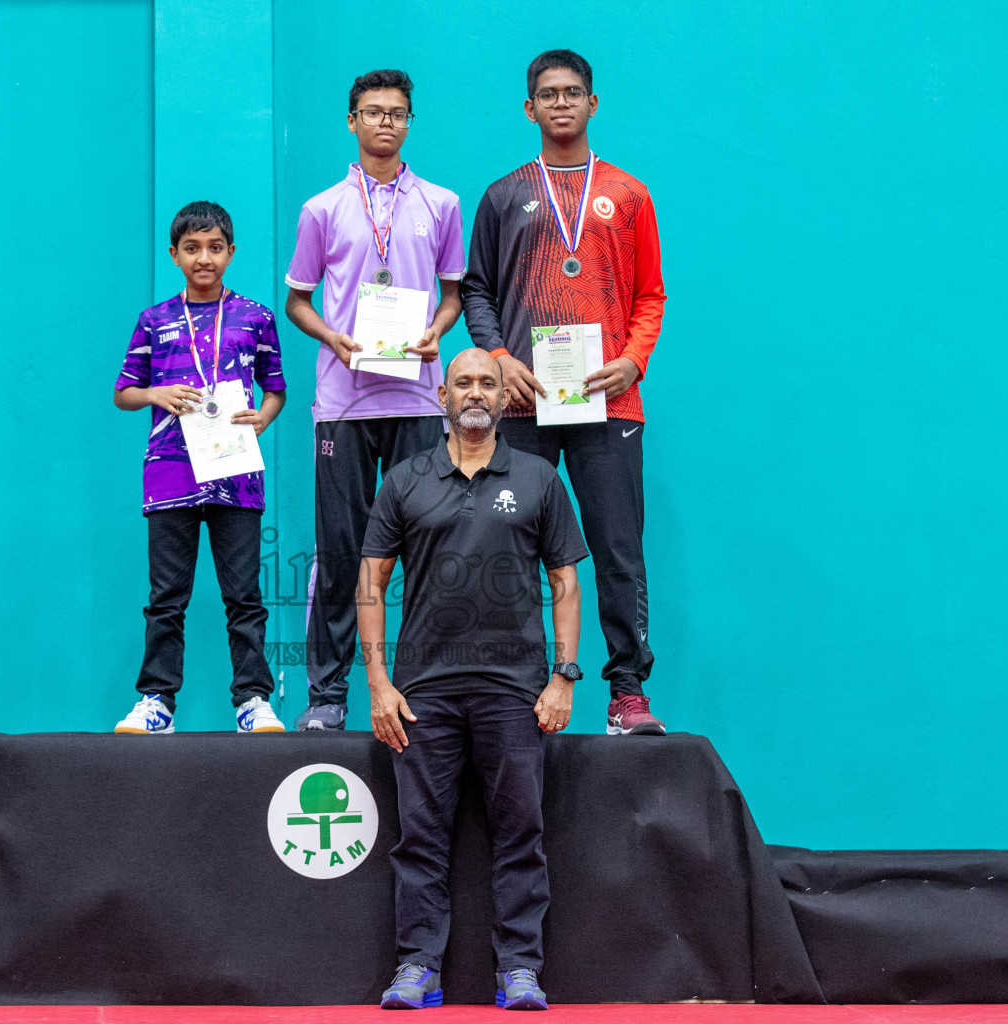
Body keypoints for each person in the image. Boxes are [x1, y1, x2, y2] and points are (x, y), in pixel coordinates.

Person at [360, 348, 586, 1011]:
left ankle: (519, 969)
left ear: (504, 398)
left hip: (515, 691)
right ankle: (417, 969)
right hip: (421, 693)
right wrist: (377, 681)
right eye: (464, 382)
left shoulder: (541, 478)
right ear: (442, 395)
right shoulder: (403, 481)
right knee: (420, 838)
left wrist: (563, 678)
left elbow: (567, 582)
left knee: (520, 834)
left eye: (488, 382)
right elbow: (369, 584)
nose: (477, 392)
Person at [461, 49, 668, 736]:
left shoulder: (630, 194)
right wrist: (495, 357)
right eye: (547, 94)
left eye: (573, 92)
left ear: (592, 103)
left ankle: (627, 693)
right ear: (529, 108)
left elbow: (649, 295)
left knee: (617, 547)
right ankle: (515, 691)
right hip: (523, 403)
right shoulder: (502, 194)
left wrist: (633, 362)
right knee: (511, 546)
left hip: (608, 401)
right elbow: (478, 290)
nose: (561, 103)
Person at [283, 68, 466, 731]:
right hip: (344, 402)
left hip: (418, 399)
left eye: (398, 113)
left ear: (409, 123)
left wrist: (435, 334)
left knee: (427, 549)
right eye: (373, 111)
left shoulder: (442, 204)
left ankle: (424, 690)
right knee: (342, 551)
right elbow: (297, 301)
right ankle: (327, 698)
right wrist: (334, 335)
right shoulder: (322, 208)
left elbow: (451, 295)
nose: (386, 122)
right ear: (352, 121)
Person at [111, 201, 288, 735]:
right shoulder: (154, 319)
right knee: (166, 598)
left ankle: (253, 701)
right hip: (169, 472)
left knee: (244, 597)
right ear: (174, 255)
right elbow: (123, 393)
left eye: (214, 247)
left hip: (236, 472)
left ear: (231, 253)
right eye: (192, 248)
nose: (203, 257)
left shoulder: (256, 316)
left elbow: (276, 389)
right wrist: (156, 393)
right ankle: (156, 701)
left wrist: (262, 419)